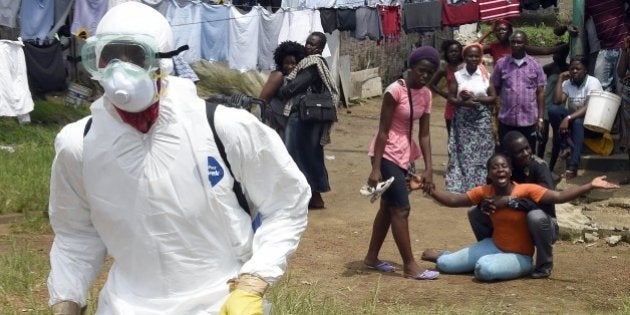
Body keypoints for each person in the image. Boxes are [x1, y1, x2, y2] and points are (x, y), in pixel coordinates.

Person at [47, 3, 309, 314]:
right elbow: (75, 235)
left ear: (163, 61)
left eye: (135, 56)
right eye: (109, 57)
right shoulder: (80, 145)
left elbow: (286, 203)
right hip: (125, 306)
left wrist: (253, 283)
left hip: (219, 303)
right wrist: (67, 300)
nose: (121, 70)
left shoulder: (223, 129)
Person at [414, 153, 618, 282]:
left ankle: (514, 265)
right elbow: (453, 199)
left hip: (521, 256)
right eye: (495, 167)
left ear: (510, 171)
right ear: (489, 173)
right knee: (446, 266)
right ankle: (448, 256)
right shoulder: (485, 191)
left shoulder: (526, 189)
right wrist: (428, 188)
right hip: (494, 245)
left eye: (503, 166)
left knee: (483, 270)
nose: (500, 169)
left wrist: (590, 185)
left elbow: (559, 196)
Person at [363, 46, 440, 281]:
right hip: (385, 155)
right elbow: (383, 131)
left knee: (387, 207)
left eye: (430, 72)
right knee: (401, 208)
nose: (425, 76)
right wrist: (376, 168)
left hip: (406, 156)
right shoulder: (394, 90)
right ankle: (409, 266)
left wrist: (428, 168)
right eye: (421, 71)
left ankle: (371, 257)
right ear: (411, 67)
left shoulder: (426, 94)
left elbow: (424, 134)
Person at [467, 131, 559, 278]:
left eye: (527, 148)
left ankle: (544, 265)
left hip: (542, 223)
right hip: (511, 223)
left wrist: (509, 201)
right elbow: (489, 194)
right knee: (474, 212)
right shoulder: (500, 168)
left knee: (535, 217)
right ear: (509, 156)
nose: (526, 153)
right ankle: (493, 249)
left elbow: (544, 201)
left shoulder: (539, 167)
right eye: (520, 151)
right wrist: (485, 204)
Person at [278, 31, 339, 210]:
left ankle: (310, 196)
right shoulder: (316, 64)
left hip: (303, 117)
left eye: (313, 45)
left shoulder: (312, 64)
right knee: (310, 155)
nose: (308, 47)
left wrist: (281, 91)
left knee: (296, 155)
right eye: (307, 43)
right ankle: (313, 196)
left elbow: (294, 87)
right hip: (312, 117)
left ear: (320, 48)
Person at [444, 43, 496, 193]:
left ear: (480, 58)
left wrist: (476, 99)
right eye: (470, 56)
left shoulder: (486, 75)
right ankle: (461, 186)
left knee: (483, 152)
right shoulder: (458, 75)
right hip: (463, 121)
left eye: (476, 56)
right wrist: (463, 101)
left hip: (482, 120)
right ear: (465, 58)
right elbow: (451, 98)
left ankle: (480, 186)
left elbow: (493, 97)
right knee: (462, 152)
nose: (473, 58)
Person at [491, 30, 546, 152]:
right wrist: (495, 112)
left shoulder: (535, 65)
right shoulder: (501, 64)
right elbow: (495, 88)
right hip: (506, 120)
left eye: (519, 42)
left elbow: (540, 93)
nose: (515, 45)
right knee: (506, 153)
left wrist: (540, 119)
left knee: (527, 154)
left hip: (529, 120)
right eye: (513, 42)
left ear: (525, 44)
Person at [550, 56, 603, 180]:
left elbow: (589, 107)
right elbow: (557, 101)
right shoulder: (568, 83)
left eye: (578, 69)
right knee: (553, 110)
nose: (574, 71)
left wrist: (568, 118)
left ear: (585, 70)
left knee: (578, 122)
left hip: (592, 124)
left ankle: (573, 165)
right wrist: (560, 78)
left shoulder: (593, 82)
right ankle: (566, 146)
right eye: (572, 68)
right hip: (573, 122)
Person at [259, 41, 307, 139]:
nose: (290, 66)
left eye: (293, 63)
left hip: (288, 121)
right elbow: (263, 100)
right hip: (275, 120)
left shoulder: (299, 77)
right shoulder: (278, 75)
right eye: (287, 63)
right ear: (281, 62)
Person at [478, 19, 569, 66]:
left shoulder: (518, 46)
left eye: (504, 29)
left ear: (510, 31)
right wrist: (488, 31)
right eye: (498, 30)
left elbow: (545, 51)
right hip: (500, 87)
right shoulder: (493, 46)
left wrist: (570, 44)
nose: (501, 31)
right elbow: (472, 48)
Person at [542, 43, 570, 170]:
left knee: (556, 141)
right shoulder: (547, 68)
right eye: (554, 52)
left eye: (558, 53)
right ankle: (539, 164)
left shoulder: (568, 69)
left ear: (565, 54)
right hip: (546, 105)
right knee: (542, 138)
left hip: (557, 108)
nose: (555, 55)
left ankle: (551, 168)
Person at [428, 39, 463, 139]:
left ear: (461, 52)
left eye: (456, 51)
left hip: (466, 107)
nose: (453, 54)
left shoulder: (466, 67)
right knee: (452, 139)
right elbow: (432, 84)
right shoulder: (445, 69)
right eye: (451, 52)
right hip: (451, 109)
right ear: (446, 54)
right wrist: (446, 95)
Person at [617, 36, 630, 185]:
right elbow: (620, 72)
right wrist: (625, 50)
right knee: (628, 137)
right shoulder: (627, 47)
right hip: (628, 94)